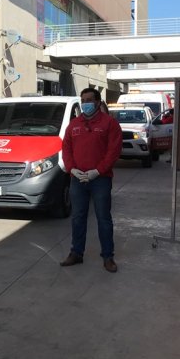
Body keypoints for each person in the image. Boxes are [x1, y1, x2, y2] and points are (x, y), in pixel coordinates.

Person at [60, 88, 123, 272]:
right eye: (83, 100)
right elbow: (67, 149)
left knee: (103, 218)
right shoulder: (74, 125)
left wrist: (98, 171)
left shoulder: (109, 124)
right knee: (78, 217)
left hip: (100, 180)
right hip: (77, 180)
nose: (85, 103)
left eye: (89, 100)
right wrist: (72, 169)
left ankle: (108, 257)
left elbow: (114, 151)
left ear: (97, 102)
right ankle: (76, 253)